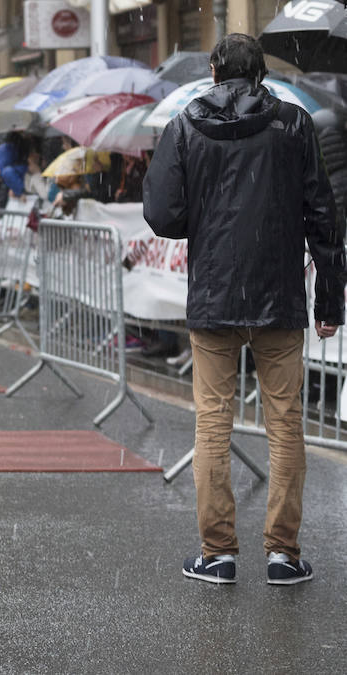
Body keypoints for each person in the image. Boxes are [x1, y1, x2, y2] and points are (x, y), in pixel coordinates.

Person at [143, 33, 346, 585]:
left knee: (212, 422)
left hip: (213, 294)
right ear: (261, 74)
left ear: (213, 70)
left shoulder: (185, 124)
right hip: (279, 294)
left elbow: (161, 213)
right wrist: (330, 299)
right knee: (285, 424)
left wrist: (203, 223)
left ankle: (218, 553)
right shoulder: (294, 124)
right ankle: (283, 554)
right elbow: (324, 217)